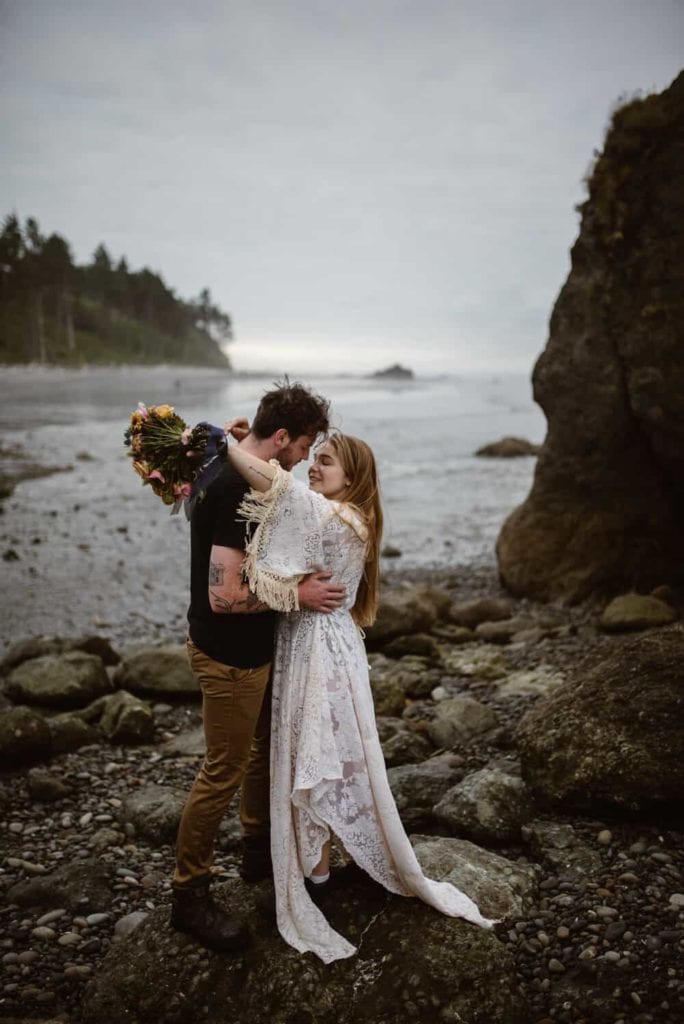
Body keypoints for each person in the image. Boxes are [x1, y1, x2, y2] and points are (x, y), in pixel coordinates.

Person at [224, 428, 496, 963]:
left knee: (317, 753)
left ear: (354, 476)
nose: (314, 468)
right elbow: (285, 496)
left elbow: (276, 487)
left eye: (325, 462)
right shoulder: (335, 512)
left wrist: (220, 445)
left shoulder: (343, 517)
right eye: (314, 460)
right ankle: (316, 865)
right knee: (314, 750)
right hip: (317, 642)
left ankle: (319, 877)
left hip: (320, 649)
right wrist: (248, 440)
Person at [170, 382, 346, 953]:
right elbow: (226, 596)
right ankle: (188, 893)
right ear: (283, 438)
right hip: (227, 655)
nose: (307, 456)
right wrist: (300, 595)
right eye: (307, 445)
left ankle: (254, 854)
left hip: (256, 651)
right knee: (222, 770)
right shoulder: (235, 494)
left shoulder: (247, 470)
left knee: (264, 752)